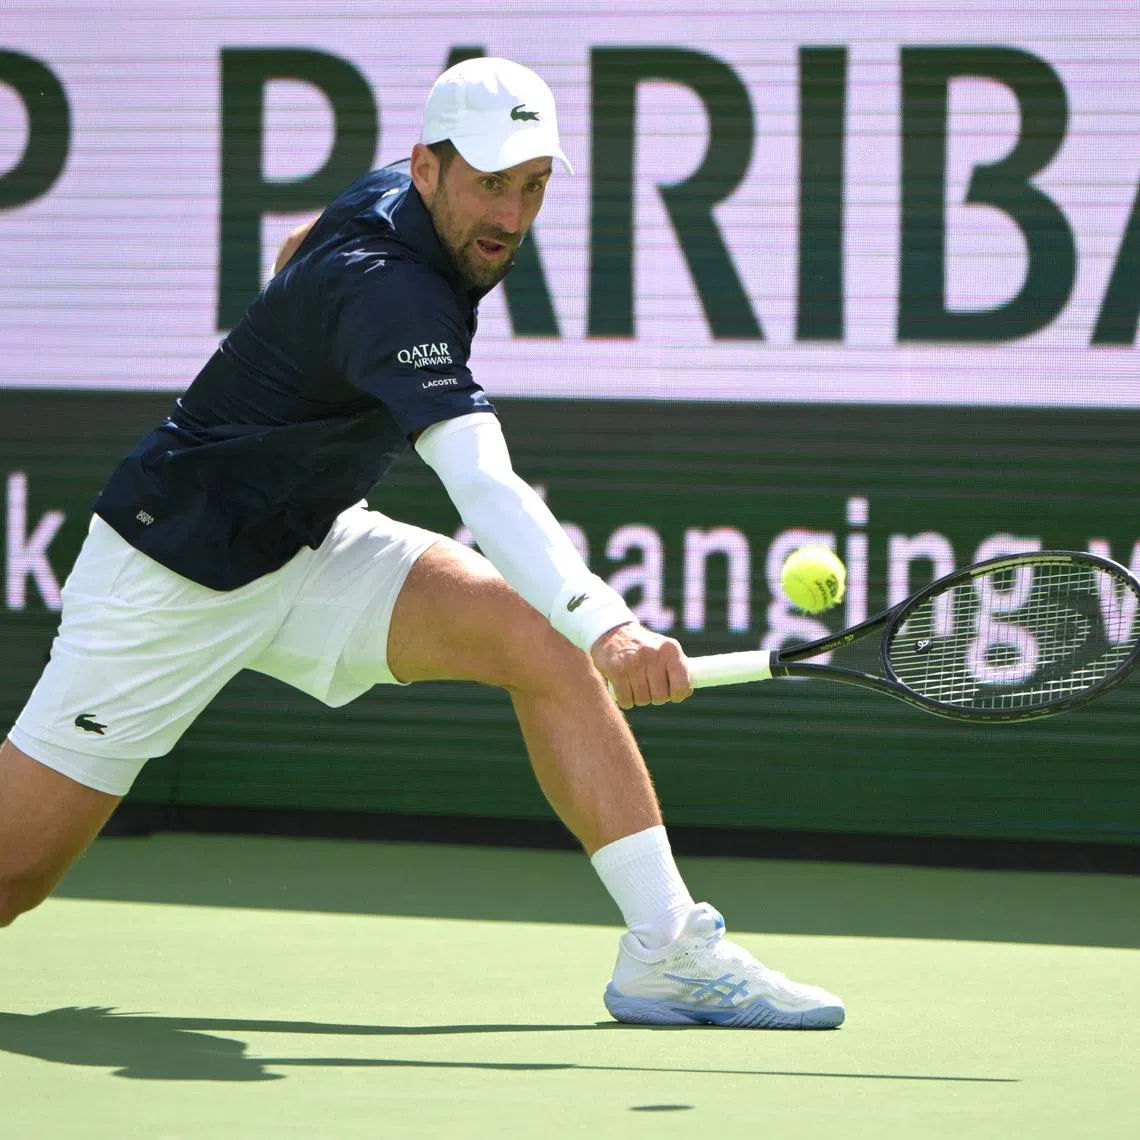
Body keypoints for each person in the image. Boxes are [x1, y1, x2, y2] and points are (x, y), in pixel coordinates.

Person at [0, 57, 844, 1029]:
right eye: (490, 183)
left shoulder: (391, 204)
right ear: (429, 167)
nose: (510, 214)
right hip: (173, 572)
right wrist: (614, 626)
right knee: (13, 878)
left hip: (308, 539)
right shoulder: (394, 292)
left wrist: (287, 342)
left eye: (531, 187)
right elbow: (481, 482)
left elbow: (296, 246)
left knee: (540, 641)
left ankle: (668, 954)